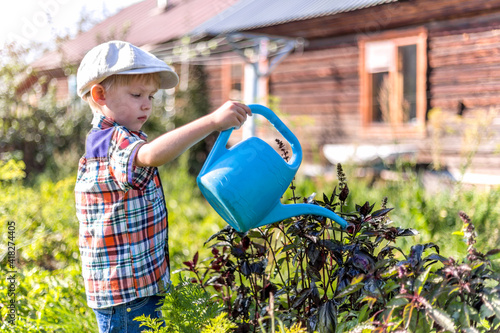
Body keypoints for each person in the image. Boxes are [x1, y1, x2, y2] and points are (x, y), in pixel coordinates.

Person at [74, 40, 251, 333]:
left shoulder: (116, 138)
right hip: (126, 295)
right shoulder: (111, 139)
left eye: (151, 96)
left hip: (135, 289)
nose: (146, 104)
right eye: (136, 94)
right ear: (100, 94)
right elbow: (152, 154)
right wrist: (211, 122)